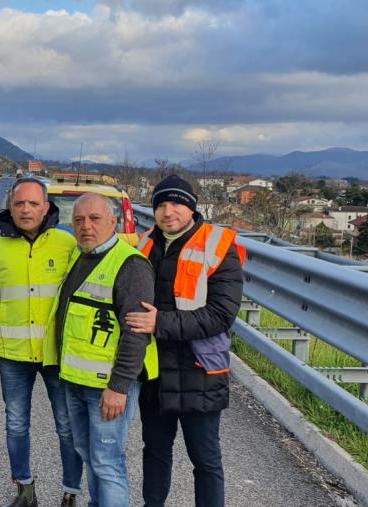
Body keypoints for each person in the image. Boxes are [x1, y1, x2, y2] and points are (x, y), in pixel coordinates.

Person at [124, 174, 245, 507]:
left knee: (205, 459)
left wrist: (159, 322)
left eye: (176, 203)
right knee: (156, 451)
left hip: (200, 368)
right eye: (161, 204)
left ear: (191, 207)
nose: (168, 211)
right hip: (155, 370)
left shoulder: (219, 246)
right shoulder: (145, 242)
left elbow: (220, 315)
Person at [0, 177, 81, 507]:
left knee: (66, 425)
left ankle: (71, 492)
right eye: (19, 203)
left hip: (56, 355)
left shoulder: (67, 246)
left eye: (33, 203)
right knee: (16, 424)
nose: (26, 209)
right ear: (10, 207)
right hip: (13, 355)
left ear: (46, 207)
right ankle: (25, 488)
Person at [55, 192, 157, 507]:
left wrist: (118, 386)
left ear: (113, 222)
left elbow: (136, 331)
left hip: (107, 387)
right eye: (79, 220)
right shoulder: (80, 255)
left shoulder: (130, 265)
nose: (86, 226)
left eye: (95, 219)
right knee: (89, 455)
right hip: (76, 380)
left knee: (107, 461)